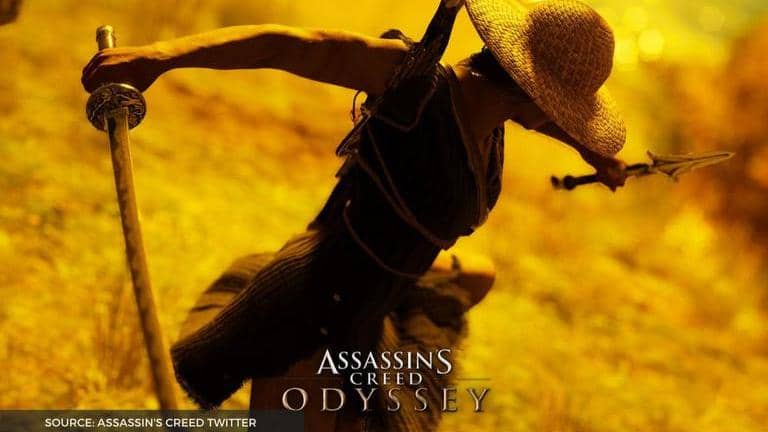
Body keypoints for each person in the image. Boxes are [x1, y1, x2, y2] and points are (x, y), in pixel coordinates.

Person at [81, 0, 628, 421]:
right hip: (319, 304)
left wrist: (588, 149)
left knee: (477, 274)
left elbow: (529, 114)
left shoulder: (492, 115)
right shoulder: (410, 82)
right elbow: (290, 46)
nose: (564, 121)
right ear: (532, 93)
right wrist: (156, 58)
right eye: (563, 109)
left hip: (383, 287)